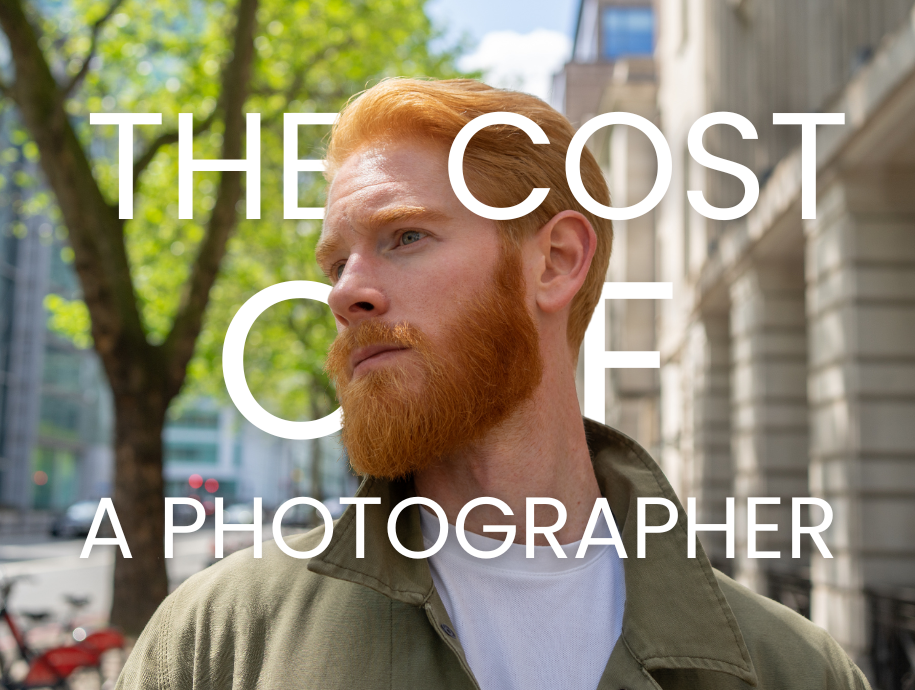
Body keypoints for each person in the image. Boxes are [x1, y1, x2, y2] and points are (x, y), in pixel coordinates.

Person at [116, 79, 870, 690]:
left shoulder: (790, 670)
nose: (345, 294)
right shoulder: (220, 644)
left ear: (553, 263)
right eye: (335, 263)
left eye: (404, 236)